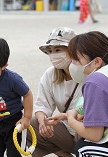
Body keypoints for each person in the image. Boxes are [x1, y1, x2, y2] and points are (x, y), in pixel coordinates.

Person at [46, 31, 108, 156]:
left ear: (96, 61)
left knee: (83, 147)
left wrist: (70, 119)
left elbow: (94, 135)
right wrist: (67, 115)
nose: (73, 64)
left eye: (77, 59)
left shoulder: (95, 82)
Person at [26, 27, 82, 157]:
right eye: (50, 51)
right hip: (66, 130)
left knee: (85, 126)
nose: (53, 55)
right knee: (29, 125)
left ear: (72, 50)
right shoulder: (50, 74)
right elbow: (42, 106)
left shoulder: (85, 73)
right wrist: (42, 121)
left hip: (85, 131)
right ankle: (64, 154)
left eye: (58, 50)